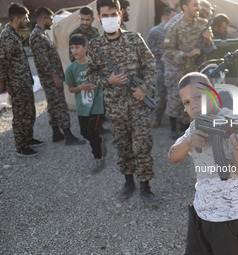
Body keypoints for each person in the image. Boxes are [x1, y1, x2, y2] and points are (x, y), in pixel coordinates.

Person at [168, 72, 238, 255]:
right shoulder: (195, 126)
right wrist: (189, 140)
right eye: (187, 102)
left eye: (198, 97)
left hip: (231, 218)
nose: (194, 105)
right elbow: (173, 157)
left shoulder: (233, 121)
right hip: (201, 213)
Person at [86, 0, 159, 205]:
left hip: (138, 104)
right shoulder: (95, 46)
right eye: (105, 15)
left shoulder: (134, 39)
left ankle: (146, 186)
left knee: (142, 144)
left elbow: (150, 65)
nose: (109, 18)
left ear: (120, 14)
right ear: (99, 18)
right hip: (115, 106)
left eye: (113, 14)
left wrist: (145, 89)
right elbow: (90, 76)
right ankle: (128, 182)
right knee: (122, 145)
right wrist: (107, 80)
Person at [30, 7, 86, 146]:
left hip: (51, 77)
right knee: (60, 104)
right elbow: (43, 60)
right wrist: (55, 76)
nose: (52, 22)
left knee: (53, 105)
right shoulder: (37, 36)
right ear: (43, 19)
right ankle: (68, 135)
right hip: (50, 78)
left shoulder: (41, 34)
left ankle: (56, 132)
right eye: (51, 19)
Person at [163, 0, 216, 139]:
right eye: (195, 5)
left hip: (199, 68)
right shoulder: (175, 27)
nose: (198, 8)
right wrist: (186, 54)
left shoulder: (203, 24)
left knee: (198, 97)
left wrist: (209, 39)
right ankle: (173, 127)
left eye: (198, 4)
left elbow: (210, 47)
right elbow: (168, 51)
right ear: (185, 7)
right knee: (176, 98)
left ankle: (190, 125)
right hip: (181, 68)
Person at [0, 3, 43, 157]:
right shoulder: (7, 37)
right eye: (25, 18)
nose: (27, 20)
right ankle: (21, 146)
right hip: (16, 84)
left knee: (29, 111)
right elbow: (2, 62)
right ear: (17, 19)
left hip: (24, 82)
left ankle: (28, 138)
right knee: (20, 115)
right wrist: (2, 83)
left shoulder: (15, 34)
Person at [65, 34, 106, 174]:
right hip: (82, 106)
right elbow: (71, 89)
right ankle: (100, 143)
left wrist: (97, 84)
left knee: (93, 132)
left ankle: (98, 158)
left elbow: (105, 80)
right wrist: (81, 88)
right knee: (84, 133)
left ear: (85, 48)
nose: (74, 51)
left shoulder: (95, 65)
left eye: (77, 47)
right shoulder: (71, 69)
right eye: (72, 48)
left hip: (97, 105)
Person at [147, 7, 177, 128]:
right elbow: (148, 49)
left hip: (173, 68)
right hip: (159, 67)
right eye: (172, 17)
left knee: (174, 94)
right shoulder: (155, 31)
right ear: (165, 17)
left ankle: (175, 118)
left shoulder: (175, 31)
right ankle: (158, 117)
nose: (175, 20)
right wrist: (163, 52)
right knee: (160, 94)